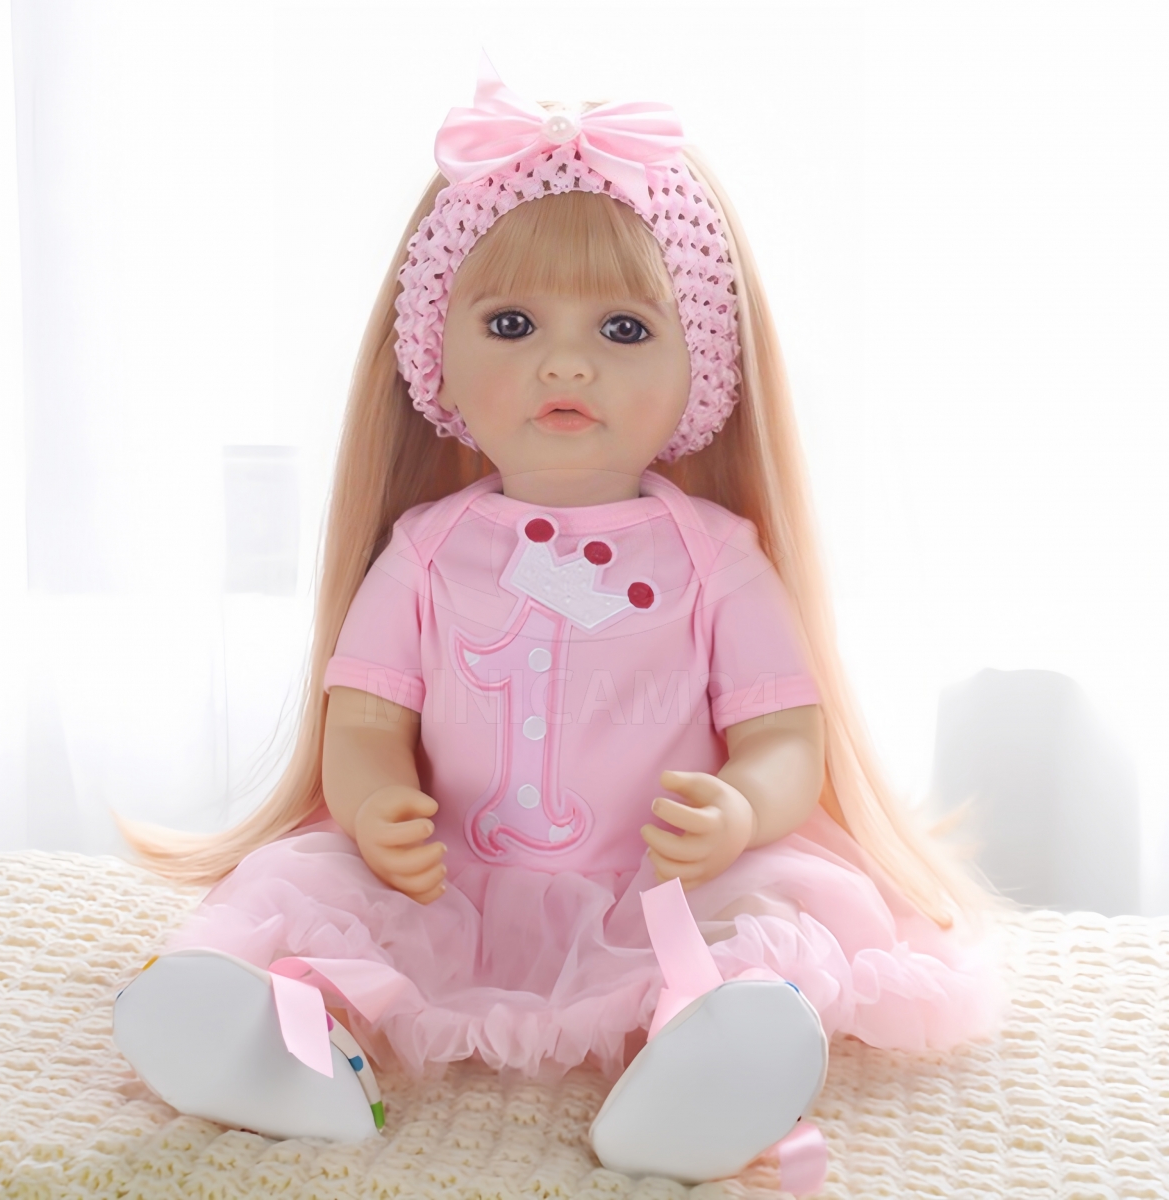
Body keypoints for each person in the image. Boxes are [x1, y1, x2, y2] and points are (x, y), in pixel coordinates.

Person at [111, 55, 1005, 1191]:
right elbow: (367, 718)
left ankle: (700, 1067)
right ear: (435, 360)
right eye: (513, 322)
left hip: (658, 883)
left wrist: (741, 807)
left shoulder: (714, 559)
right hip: (450, 881)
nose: (567, 361)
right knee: (317, 898)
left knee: (760, 920)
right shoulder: (426, 552)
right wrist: (375, 803)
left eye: (625, 328)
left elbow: (785, 734)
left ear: (703, 369)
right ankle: (289, 1052)